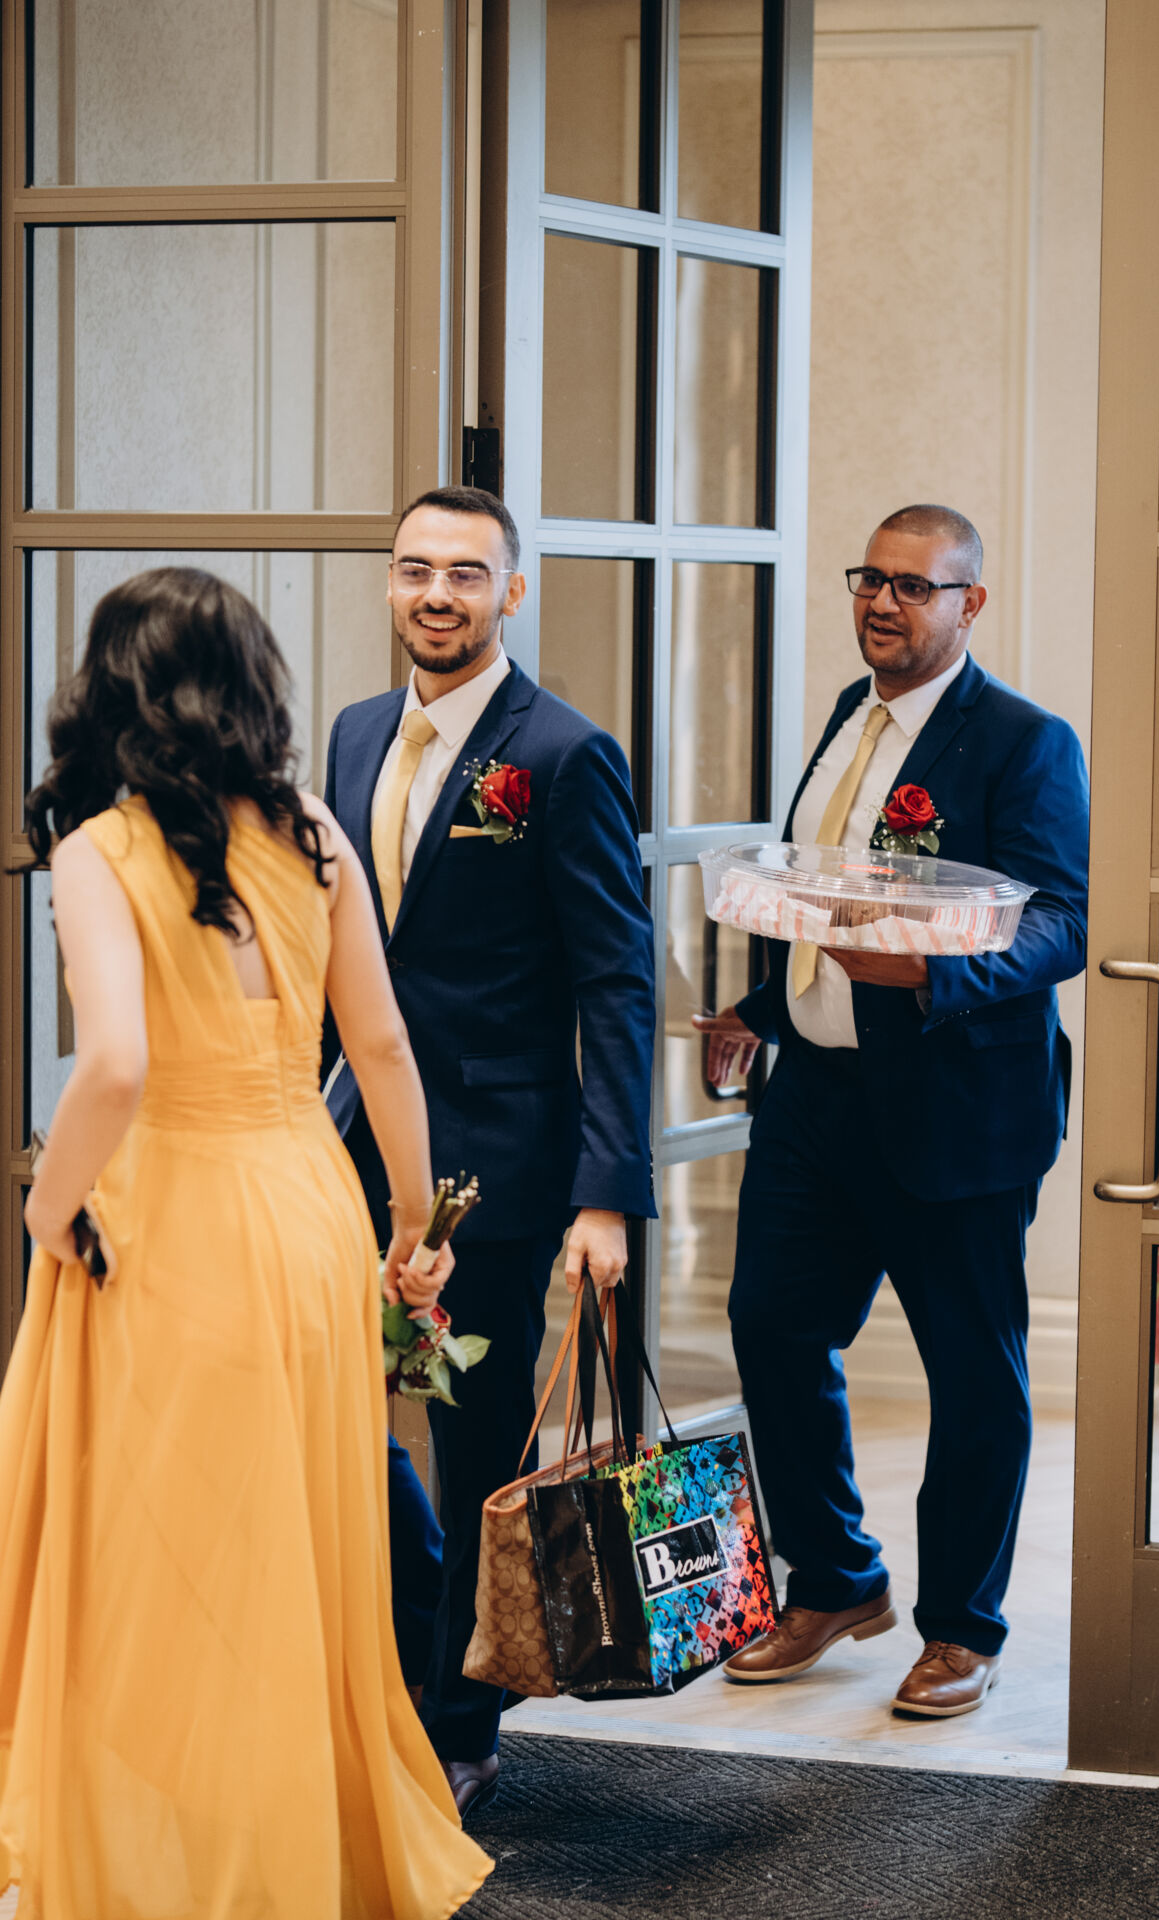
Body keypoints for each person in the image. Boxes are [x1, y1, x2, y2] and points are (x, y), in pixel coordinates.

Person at [4, 570, 490, 1915]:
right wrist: (413, 1223)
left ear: (113, 690)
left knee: (159, 1533)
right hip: (309, 1206)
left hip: (172, 1213)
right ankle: (292, 1827)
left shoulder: (99, 851)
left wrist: (48, 1205)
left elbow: (114, 1065)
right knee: (292, 1529)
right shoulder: (314, 831)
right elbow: (380, 1046)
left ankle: (172, 1844)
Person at [695, 505, 1089, 1716]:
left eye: (914, 586)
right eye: (869, 578)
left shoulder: (1023, 741)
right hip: (815, 1096)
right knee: (770, 1327)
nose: (881, 602)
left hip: (954, 1110)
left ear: (970, 604)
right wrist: (762, 1005)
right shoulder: (844, 716)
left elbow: (1062, 923)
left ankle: (961, 1627)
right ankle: (832, 1580)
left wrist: (930, 974)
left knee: (971, 1378)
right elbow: (822, 895)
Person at [323, 486, 655, 1813]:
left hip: (495, 1170)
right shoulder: (354, 734)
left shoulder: (564, 755)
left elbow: (615, 982)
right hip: (351, 1148)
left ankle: (459, 1727)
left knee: (474, 1445)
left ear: (511, 592)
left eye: (465, 572)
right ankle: (408, 1643)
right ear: (390, 584)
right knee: (340, 1417)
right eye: (415, 569)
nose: (436, 594)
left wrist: (605, 1193)